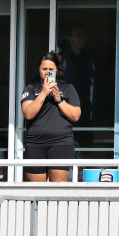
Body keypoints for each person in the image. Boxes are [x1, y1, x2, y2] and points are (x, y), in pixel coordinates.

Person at [21, 51, 81, 182]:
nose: (47, 72)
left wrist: (59, 99)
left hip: (61, 143)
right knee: (36, 190)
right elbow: (28, 114)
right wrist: (43, 93)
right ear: (39, 69)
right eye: (44, 69)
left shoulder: (68, 88)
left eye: (51, 69)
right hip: (35, 143)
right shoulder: (31, 88)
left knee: (58, 189)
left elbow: (75, 116)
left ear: (57, 70)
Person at [62, 22, 95, 127]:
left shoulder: (88, 59)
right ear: (69, 37)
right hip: (67, 110)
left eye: (84, 35)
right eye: (78, 35)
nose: (83, 38)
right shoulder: (61, 59)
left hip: (86, 109)